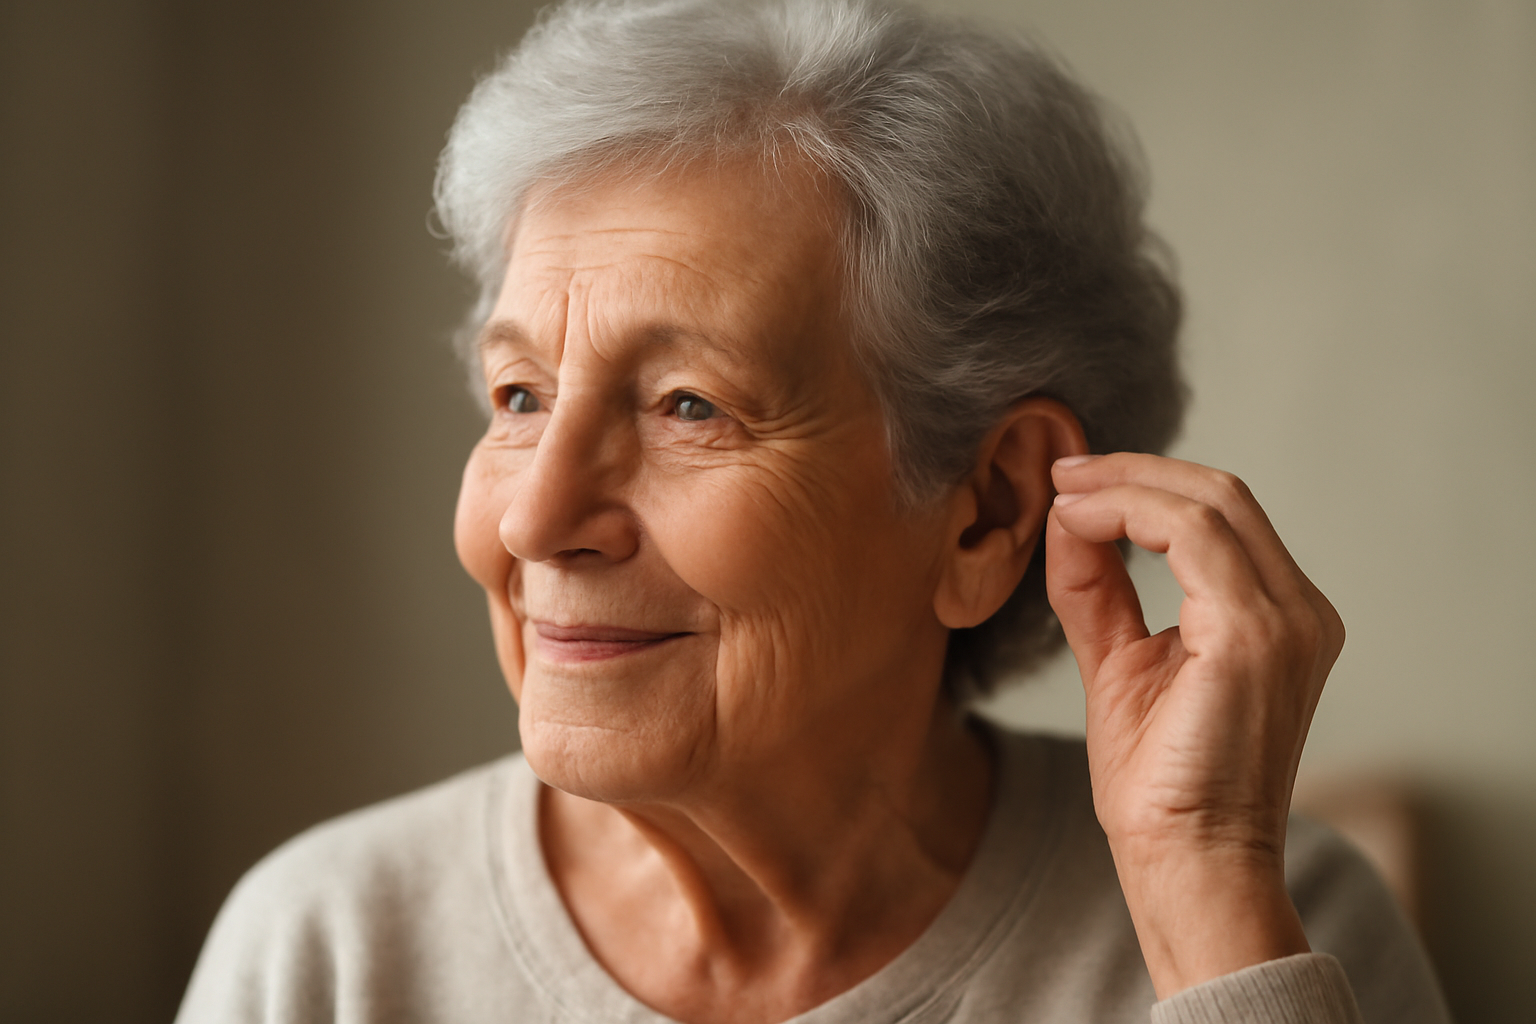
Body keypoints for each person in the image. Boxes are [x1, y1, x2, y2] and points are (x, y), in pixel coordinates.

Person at [176, 1, 1450, 1021]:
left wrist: (1201, 895)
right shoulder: (328, 950)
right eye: (519, 396)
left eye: (688, 406)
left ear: (987, 508)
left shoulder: (1279, 928)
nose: (535, 518)